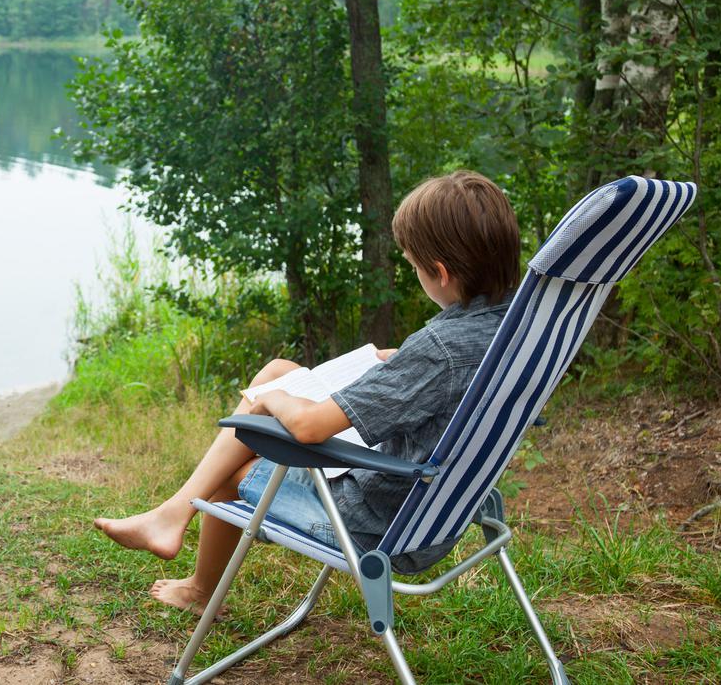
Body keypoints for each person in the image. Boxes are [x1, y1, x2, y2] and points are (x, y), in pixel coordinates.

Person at [94, 169, 522, 612]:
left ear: (440, 273)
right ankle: (171, 517)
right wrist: (403, 367)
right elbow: (450, 382)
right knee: (279, 368)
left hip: (377, 525)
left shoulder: (439, 351)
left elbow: (307, 427)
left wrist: (273, 398)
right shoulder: (516, 331)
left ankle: (197, 581)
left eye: (413, 266)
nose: (413, 273)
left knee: (245, 436)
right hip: (436, 510)